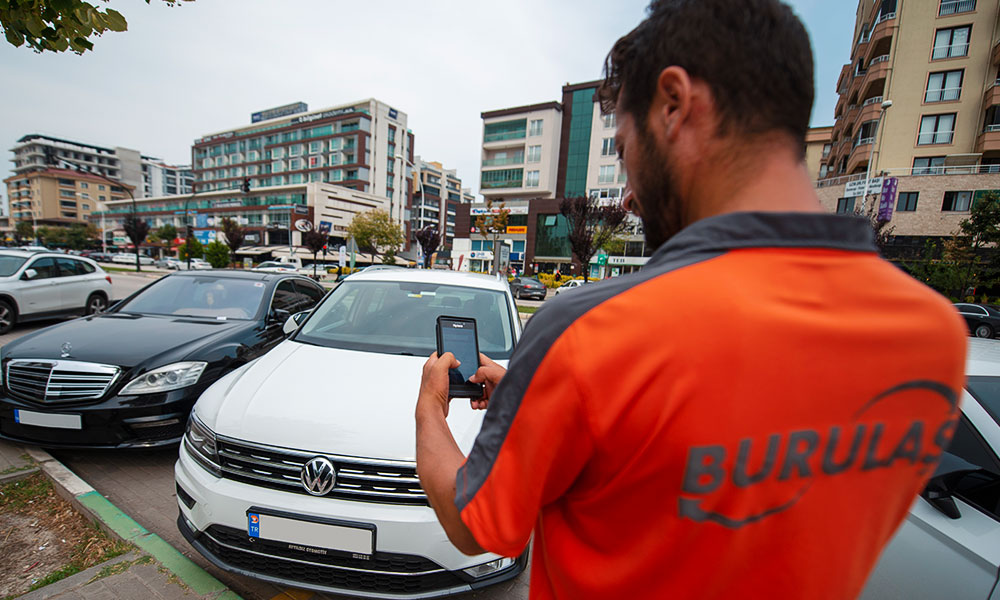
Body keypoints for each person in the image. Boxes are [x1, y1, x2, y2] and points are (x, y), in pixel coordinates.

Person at [415, 0, 967, 597]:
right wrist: (552, 400)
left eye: (626, 152)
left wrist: (428, 409)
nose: (627, 197)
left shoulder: (591, 333)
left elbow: (476, 526)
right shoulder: (933, 335)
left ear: (674, 105)